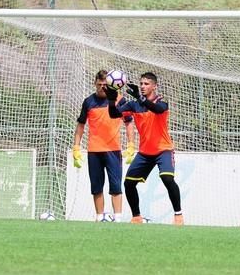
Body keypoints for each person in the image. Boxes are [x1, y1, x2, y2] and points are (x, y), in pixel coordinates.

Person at [106, 72, 184, 225]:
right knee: (128, 183)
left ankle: (178, 215)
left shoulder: (161, 102)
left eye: (146, 84)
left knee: (167, 178)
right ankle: (136, 217)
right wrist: (111, 98)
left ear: (155, 86)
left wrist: (140, 98)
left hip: (163, 150)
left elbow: (157, 109)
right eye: (141, 83)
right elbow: (114, 114)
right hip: (145, 153)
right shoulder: (134, 104)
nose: (142, 86)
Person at [73, 70, 135, 222]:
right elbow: (81, 124)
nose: (101, 87)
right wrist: (76, 147)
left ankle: (118, 218)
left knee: (115, 186)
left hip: (113, 150)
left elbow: (128, 123)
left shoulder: (119, 100)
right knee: (96, 187)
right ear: (94, 83)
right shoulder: (88, 102)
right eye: (99, 84)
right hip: (94, 151)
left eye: (104, 84)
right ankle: (100, 217)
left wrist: (131, 144)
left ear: (110, 85)